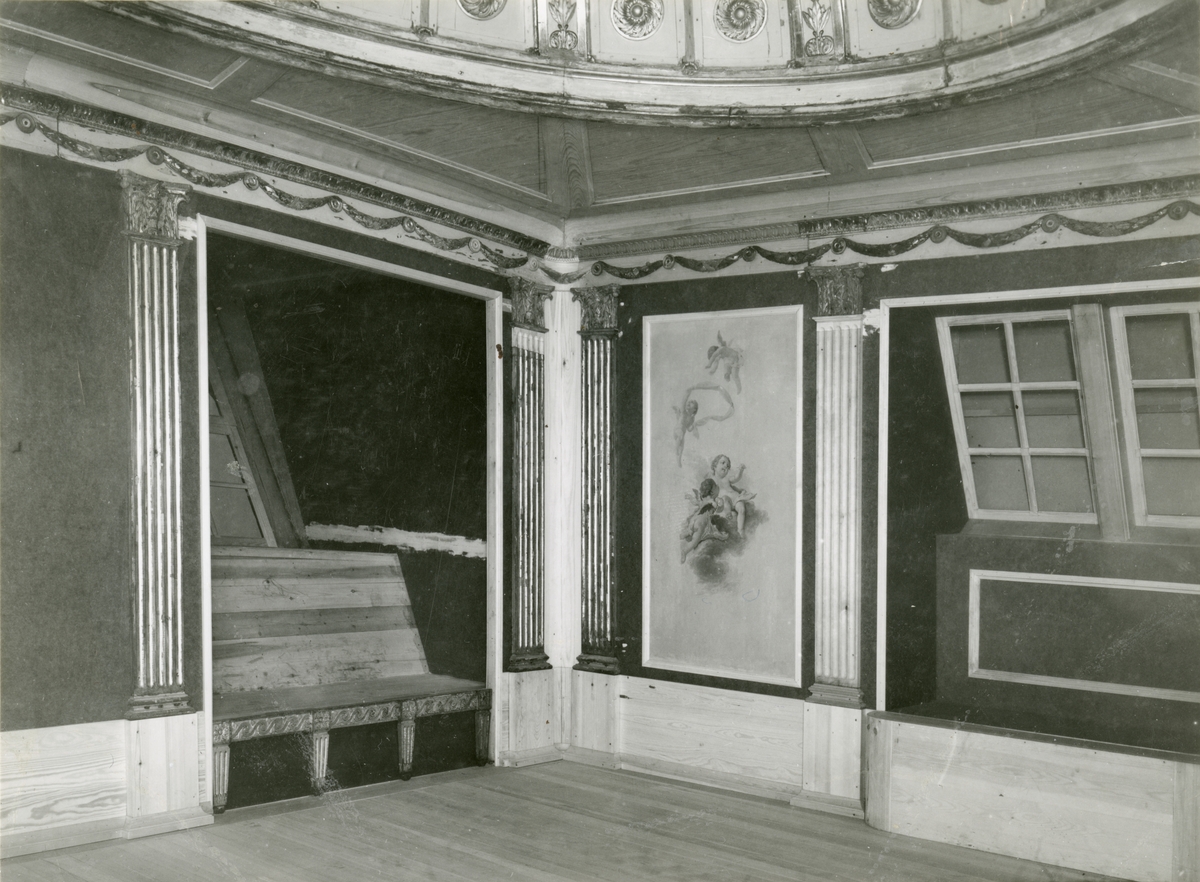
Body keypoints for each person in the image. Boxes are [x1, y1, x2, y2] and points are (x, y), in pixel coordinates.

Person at [672, 383, 734, 467]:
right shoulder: (683, 412)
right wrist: (689, 391)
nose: (688, 403)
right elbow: (684, 400)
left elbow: (689, 429)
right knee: (680, 437)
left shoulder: (692, 419)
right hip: (677, 430)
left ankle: (679, 461)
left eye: (691, 404)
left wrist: (693, 427)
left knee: (682, 446)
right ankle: (675, 450)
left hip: (682, 432)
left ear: (694, 410)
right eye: (688, 403)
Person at [680, 479, 729, 562]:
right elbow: (718, 509)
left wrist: (690, 498)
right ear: (712, 492)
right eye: (716, 487)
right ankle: (685, 551)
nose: (718, 487)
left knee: (691, 528)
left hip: (694, 518)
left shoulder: (703, 499)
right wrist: (720, 504)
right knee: (695, 540)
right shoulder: (713, 500)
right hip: (701, 522)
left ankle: (687, 532)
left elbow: (696, 502)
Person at [710, 454, 755, 535]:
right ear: (715, 465)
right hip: (725, 501)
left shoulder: (727, 478)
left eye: (727, 466)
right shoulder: (712, 480)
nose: (725, 466)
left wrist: (740, 470)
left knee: (741, 509)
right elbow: (710, 493)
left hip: (736, 498)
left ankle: (740, 530)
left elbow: (736, 478)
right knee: (725, 499)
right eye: (723, 463)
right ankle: (728, 514)